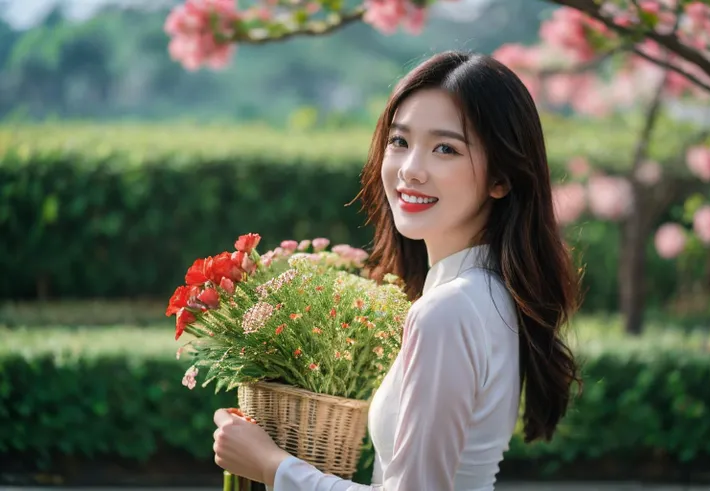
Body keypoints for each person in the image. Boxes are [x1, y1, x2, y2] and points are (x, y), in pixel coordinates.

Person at [211, 50, 582, 491]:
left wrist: (272, 466)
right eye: (400, 142)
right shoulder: (490, 295)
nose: (410, 170)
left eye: (445, 149)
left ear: (501, 179)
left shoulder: (449, 310)